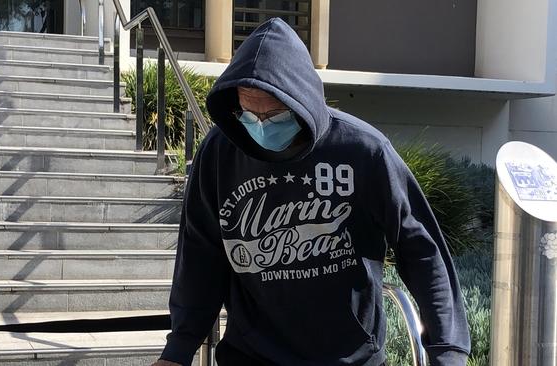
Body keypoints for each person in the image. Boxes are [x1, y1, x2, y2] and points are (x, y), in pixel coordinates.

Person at [152, 18, 471, 366]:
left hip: (347, 357)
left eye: (274, 113)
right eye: (248, 110)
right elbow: (200, 256)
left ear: (300, 98)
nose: (259, 124)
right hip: (251, 355)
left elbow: (422, 250)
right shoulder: (220, 151)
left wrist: (448, 352)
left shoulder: (363, 151)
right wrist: (178, 349)